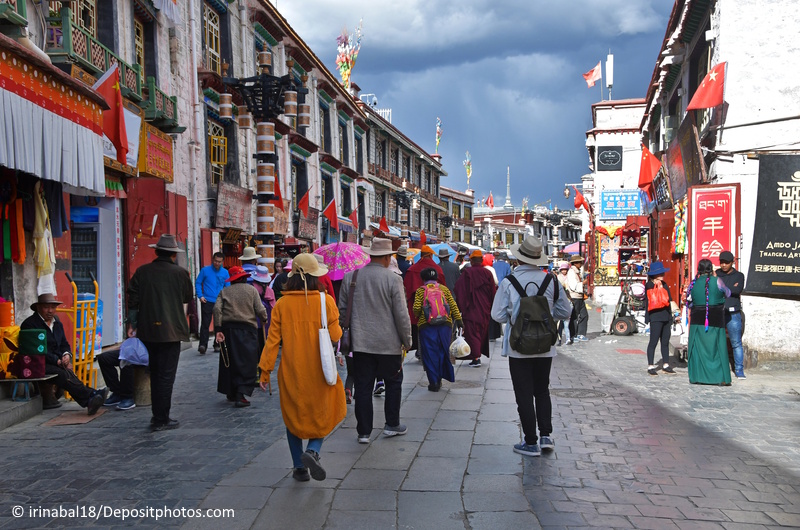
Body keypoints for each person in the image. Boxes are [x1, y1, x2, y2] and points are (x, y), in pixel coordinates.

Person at [259, 253, 345, 481]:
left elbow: (272, 341)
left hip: (292, 371)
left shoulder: (282, 305)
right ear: (315, 277)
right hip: (320, 370)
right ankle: (313, 450)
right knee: (325, 411)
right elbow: (336, 335)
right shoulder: (325, 301)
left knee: (293, 416)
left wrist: (264, 370)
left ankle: (299, 467)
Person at [491, 237, 572, 457]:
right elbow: (566, 311)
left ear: (519, 258)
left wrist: (516, 316)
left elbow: (497, 315)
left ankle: (530, 442)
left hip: (518, 347)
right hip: (545, 346)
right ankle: (546, 435)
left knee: (523, 394)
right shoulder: (552, 281)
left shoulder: (509, 282)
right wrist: (545, 318)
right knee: (542, 390)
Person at [338, 238, 412, 444]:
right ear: (388, 258)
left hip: (361, 344)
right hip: (389, 344)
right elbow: (401, 315)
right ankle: (392, 424)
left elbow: (343, 311)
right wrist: (407, 340)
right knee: (394, 383)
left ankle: (363, 432)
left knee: (363, 386)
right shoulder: (393, 279)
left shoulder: (351, 277)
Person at [127, 234, 193, 431]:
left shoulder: (142, 271)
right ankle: (161, 417)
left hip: (148, 331)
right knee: (166, 376)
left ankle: (158, 416)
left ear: (156, 251)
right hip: (171, 331)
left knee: (154, 373)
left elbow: (133, 300)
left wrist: (133, 324)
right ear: (173, 254)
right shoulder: (180, 274)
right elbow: (187, 297)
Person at [20, 293, 108, 414]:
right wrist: (57, 360)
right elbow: (37, 350)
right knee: (63, 374)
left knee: (68, 372)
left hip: (56, 361)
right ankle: (90, 396)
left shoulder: (57, 324)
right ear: (39, 308)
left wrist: (67, 355)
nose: (50, 311)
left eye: (53, 307)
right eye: (46, 307)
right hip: (38, 363)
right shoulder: (30, 324)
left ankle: (91, 397)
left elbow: (64, 344)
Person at [214, 266, 268, 407]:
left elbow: (217, 309)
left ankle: (231, 392)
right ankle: (240, 394)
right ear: (244, 278)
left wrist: (218, 328)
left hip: (228, 330)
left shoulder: (224, 291)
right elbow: (260, 308)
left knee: (229, 361)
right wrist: (264, 318)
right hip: (247, 330)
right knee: (246, 362)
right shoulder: (252, 291)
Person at [413, 268, 462, 391]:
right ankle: (441, 377)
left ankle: (433, 382)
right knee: (443, 351)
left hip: (427, 326)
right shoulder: (444, 289)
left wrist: (419, 315)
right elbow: (453, 304)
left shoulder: (420, 291)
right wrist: (459, 320)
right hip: (445, 324)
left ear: (423, 279)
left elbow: (416, 308)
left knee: (430, 353)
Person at [687, 259, 732, 386]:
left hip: (697, 320)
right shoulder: (717, 281)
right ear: (710, 269)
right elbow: (728, 293)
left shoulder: (693, 283)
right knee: (716, 347)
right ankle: (718, 378)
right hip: (715, 318)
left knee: (699, 348)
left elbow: (690, 301)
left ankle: (698, 376)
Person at [454, 250, 497, 367]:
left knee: (473, 333)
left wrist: (461, 305)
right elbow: (493, 292)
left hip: (471, 308)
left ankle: (476, 357)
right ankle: (476, 355)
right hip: (484, 308)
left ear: (472, 261)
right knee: (480, 332)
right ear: (482, 261)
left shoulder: (467, 273)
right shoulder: (487, 274)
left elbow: (459, 289)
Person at [403, 245, 445, 355]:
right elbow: (443, 288)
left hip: (416, 304)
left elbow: (406, 290)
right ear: (430, 255)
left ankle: (420, 350)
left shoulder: (412, 269)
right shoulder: (437, 269)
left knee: (420, 326)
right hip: (435, 305)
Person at [716, 250, 746, 379]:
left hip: (733, 312)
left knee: (736, 342)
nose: (723, 265)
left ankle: (739, 369)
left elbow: (737, 290)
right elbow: (716, 289)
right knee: (717, 341)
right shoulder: (716, 274)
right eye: (722, 263)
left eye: (726, 263)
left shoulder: (739, 275)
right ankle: (719, 367)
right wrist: (728, 288)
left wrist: (723, 288)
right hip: (718, 311)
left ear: (732, 263)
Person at [644, 261, 677, 376]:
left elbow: (669, 299)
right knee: (653, 341)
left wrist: (674, 314)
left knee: (665, 341)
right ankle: (650, 365)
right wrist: (657, 285)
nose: (662, 275)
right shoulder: (649, 285)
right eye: (660, 273)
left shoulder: (665, 284)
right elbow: (650, 300)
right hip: (655, 317)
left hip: (666, 316)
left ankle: (666, 364)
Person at [195, 252, 229, 355]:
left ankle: (217, 344)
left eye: (219, 262)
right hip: (207, 300)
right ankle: (203, 345)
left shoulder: (225, 272)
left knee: (219, 324)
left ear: (222, 261)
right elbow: (197, 282)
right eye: (215, 261)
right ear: (212, 260)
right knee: (205, 323)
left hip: (220, 301)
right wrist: (200, 296)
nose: (217, 263)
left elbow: (227, 286)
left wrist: (226, 299)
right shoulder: (205, 270)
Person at [250, 265, 276, 354]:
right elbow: (273, 307)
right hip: (266, 320)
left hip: (253, 321)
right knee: (264, 343)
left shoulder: (251, 288)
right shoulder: (270, 291)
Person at [566, 255, 589, 342]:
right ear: (575, 263)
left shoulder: (578, 272)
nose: (581, 264)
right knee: (574, 317)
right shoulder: (571, 272)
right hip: (574, 297)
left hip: (580, 297)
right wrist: (582, 283)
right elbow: (573, 286)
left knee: (584, 315)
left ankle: (581, 334)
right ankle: (573, 334)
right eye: (580, 262)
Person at [555, 262, 571, 346]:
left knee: (566, 325)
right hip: (560, 307)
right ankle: (559, 339)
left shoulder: (569, 277)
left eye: (565, 270)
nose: (564, 271)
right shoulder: (559, 277)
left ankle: (568, 339)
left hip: (566, 306)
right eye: (563, 270)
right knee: (559, 326)